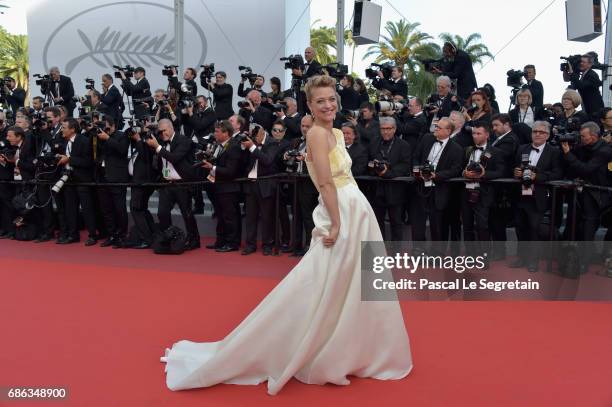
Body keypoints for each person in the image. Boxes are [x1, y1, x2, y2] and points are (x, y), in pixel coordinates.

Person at [161, 74, 413, 395]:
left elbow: (343, 175)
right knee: (328, 280)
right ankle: (323, 348)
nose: (328, 105)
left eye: (331, 99)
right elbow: (324, 182)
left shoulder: (336, 131)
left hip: (357, 210)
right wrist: (335, 222)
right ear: (309, 105)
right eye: (320, 101)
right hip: (341, 212)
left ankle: (351, 348)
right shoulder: (318, 136)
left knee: (350, 281)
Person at [511, 121, 563, 273]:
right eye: (535, 131)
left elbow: (557, 173)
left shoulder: (554, 152)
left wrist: (537, 176)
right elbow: (513, 167)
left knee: (534, 228)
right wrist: (515, 172)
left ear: (547, 135)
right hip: (520, 194)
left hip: (538, 196)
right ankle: (521, 257)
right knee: (520, 227)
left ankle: (533, 260)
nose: (537, 134)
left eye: (541, 132)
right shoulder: (522, 148)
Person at [146, 119, 200, 250]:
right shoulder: (161, 142)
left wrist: (157, 147)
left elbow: (174, 158)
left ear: (171, 128)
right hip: (167, 184)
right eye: (160, 132)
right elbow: (159, 162)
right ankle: (168, 237)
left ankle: (194, 240)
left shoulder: (183, 140)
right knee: (162, 213)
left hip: (182, 184)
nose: (162, 134)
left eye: (164, 131)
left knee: (186, 214)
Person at [568, 54, 604, 120]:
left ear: (590, 64)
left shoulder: (592, 75)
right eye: (580, 62)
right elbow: (569, 80)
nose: (581, 64)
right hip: (588, 109)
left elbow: (580, 86)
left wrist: (572, 72)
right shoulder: (584, 74)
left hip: (595, 111)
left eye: (583, 62)